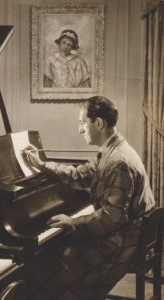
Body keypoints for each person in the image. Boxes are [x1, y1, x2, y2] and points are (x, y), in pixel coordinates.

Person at [24, 96, 155, 299]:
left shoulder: (119, 161)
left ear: (99, 123)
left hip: (121, 244)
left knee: (53, 273)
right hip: (125, 235)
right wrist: (42, 165)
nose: (80, 129)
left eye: (82, 122)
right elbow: (78, 176)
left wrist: (74, 222)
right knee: (52, 263)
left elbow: (113, 217)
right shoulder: (112, 150)